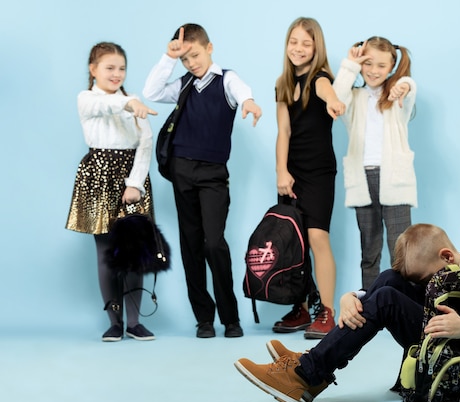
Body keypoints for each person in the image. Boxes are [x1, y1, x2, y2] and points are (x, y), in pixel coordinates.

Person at [234, 223, 460, 402]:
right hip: (440, 345)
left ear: (446, 256)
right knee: (390, 280)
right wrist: (352, 297)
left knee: (389, 299)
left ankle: (305, 374)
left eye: (427, 281)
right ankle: (312, 370)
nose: (425, 291)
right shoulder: (436, 269)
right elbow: (395, 285)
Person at [143, 23, 262, 339]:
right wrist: (168, 58)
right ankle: (203, 319)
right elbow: (151, 92)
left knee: (213, 242)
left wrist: (248, 103)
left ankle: (230, 318)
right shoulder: (182, 84)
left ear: (209, 48)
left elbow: (242, 92)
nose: (191, 63)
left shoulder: (227, 79)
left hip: (212, 175)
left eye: (194, 55)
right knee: (191, 245)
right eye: (185, 59)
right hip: (182, 169)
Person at [66, 42, 159, 342]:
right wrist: (128, 104)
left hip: (131, 175)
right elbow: (103, 106)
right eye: (109, 68)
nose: (117, 73)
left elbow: (145, 143)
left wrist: (134, 183)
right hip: (98, 174)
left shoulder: (133, 102)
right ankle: (114, 321)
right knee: (106, 251)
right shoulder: (87, 98)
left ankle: (134, 322)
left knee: (134, 252)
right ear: (93, 70)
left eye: (121, 68)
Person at [271, 17, 346, 339]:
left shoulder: (321, 78)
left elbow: (327, 92)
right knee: (294, 244)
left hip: (318, 172)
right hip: (292, 172)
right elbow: (283, 132)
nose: (298, 48)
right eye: (294, 42)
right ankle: (301, 308)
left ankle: (326, 312)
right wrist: (281, 171)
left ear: (316, 48)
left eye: (306, 43)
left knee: (317, 238)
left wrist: (334, 101)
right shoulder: (283, 84)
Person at [333, 37, 418, 290]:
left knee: (400, 250)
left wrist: (403, 85)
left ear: (392, 66)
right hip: (362, 179)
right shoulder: (353, 99)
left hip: (395, 180)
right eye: (367, 63)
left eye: (381, 65)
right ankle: (372, 307)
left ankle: (403, 304)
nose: (373, 70)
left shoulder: (398, 99)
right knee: (369, 251)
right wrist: (349, 64)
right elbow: (335, 97)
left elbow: (409, 86)